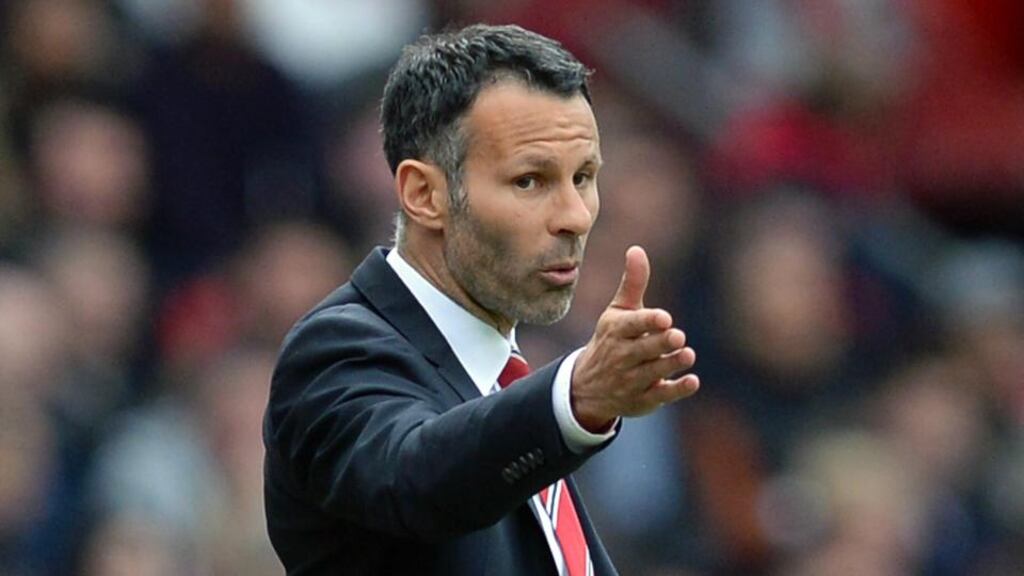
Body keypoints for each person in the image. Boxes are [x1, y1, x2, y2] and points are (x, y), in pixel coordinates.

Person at [262, 24, 700, 576]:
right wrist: (575, 397)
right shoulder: (336, 350)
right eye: (529, 181)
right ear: (424, 195)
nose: (576, 215)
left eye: (583, 176)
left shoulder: (502, 380)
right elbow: (415, 479)